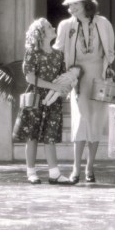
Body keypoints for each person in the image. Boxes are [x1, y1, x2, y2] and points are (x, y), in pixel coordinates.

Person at [55, 0, 115, 184]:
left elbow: (110, 51)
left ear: (85, 3)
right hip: (78, 79)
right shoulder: (66, 26)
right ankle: (76, 167)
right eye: (69, 5)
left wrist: (108, 68)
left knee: (96, 121)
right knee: (80, 121)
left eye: (74, 4)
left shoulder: (103, 23)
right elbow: (57, 51)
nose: (71, 8)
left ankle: (90, 166)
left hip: (99, 77)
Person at [16, 18, 78, 185]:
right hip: (35, 98)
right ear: (41, 33)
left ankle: (54, 173)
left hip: (53, 100)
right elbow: (30, 77)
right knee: (32, 136)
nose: (53, 28)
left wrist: (66, 87)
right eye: (49, 27)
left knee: (50, 136)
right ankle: (31, 172)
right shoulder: (32, 52)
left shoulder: (59, 55)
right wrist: (53, 86)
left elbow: (62, 77)